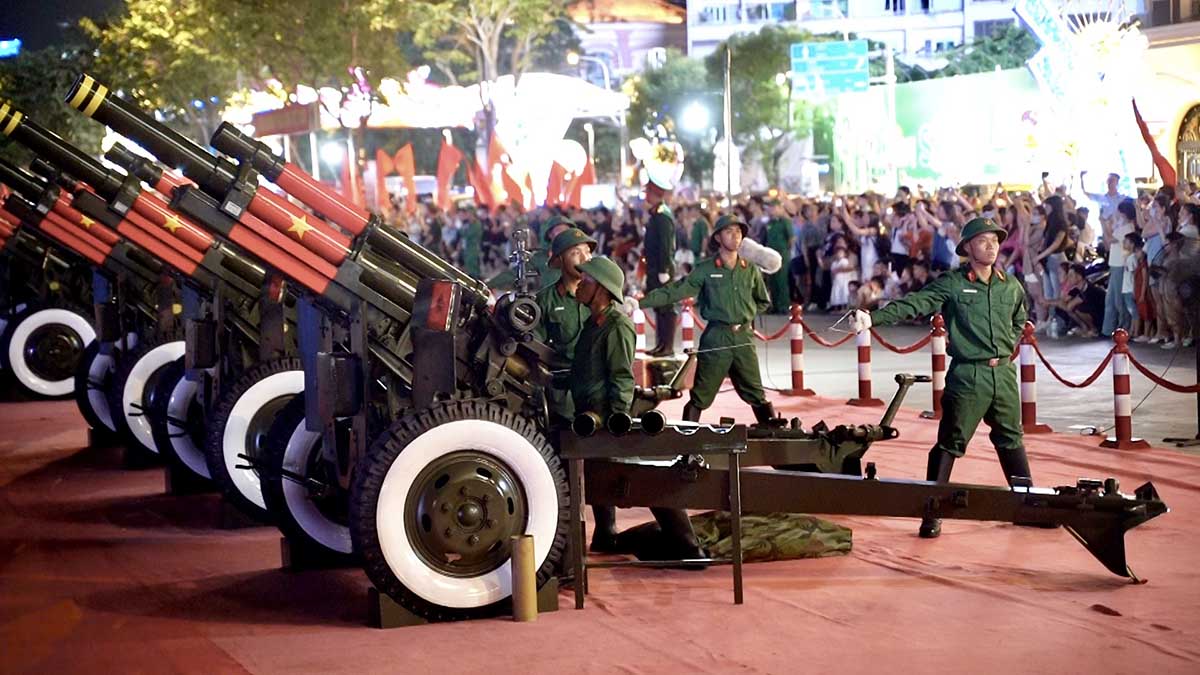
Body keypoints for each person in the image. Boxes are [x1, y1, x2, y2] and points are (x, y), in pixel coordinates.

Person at [850, 217, 1039, 538]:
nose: (991, 246)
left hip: (1004, 373)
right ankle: (932, 511)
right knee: (951, 442)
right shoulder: (952, 283)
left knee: (1011, 439)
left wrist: (1006, 344)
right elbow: (916, 303)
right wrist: (874, 318)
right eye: (983, 241)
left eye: (995, 240)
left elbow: (1020, 317)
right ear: (967, 247)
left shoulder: (1010, 284)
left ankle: (1030, 506)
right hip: (968, 374)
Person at [571, 256, 705, 560]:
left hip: (607, 415)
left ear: (602, 290)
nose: (580, 285)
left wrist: (618, 418)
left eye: (586, 281)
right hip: (589, 413)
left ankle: (686, 545)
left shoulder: (617, 326)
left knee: (637, 476)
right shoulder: (593, 324)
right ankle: (605, 534)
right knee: (599, 472)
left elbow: (621, 376)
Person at [639, 215, 782, 427]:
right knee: (702, 394)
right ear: (717, 238)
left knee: (755, 390)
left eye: (739, 232)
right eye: (729, 232)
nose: (735, 237)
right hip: (717, 338)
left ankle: (771, 430)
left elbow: (762, 301)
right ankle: (687, 440)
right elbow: (676, 291)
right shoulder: (706, 269)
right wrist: (639, 303)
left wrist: (745, 317)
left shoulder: (749, 269)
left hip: (743, 338)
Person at [535, 226, 596, 426]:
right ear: (560, 260)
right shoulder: (545, 301)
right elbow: (536, 350)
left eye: (587, 251)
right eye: (575, 253)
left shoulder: (601, 295)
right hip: (562, 394)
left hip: (596, 386)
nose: (584, 258)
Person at [642, 181, 677, 356]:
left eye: (648, 192)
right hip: (654, 268)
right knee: (658, 306)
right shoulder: (656, 214)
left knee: (666, 308)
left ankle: (667, 346)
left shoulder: (663, 216)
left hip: (662, 269)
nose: (646, 196)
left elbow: (665, 245)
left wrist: (664, 269)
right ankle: (661, 344)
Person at [763, 199, 793, 313]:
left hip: (781, 254)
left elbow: (791, 239)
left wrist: (785, 251)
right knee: (772, 281)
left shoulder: (785, 221)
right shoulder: (769, 223)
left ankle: (783, 306)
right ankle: (775, 305)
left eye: (773, 208)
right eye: (770, 208)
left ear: (780, 208)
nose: (771, 210)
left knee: (781, 280)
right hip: (770, 255)